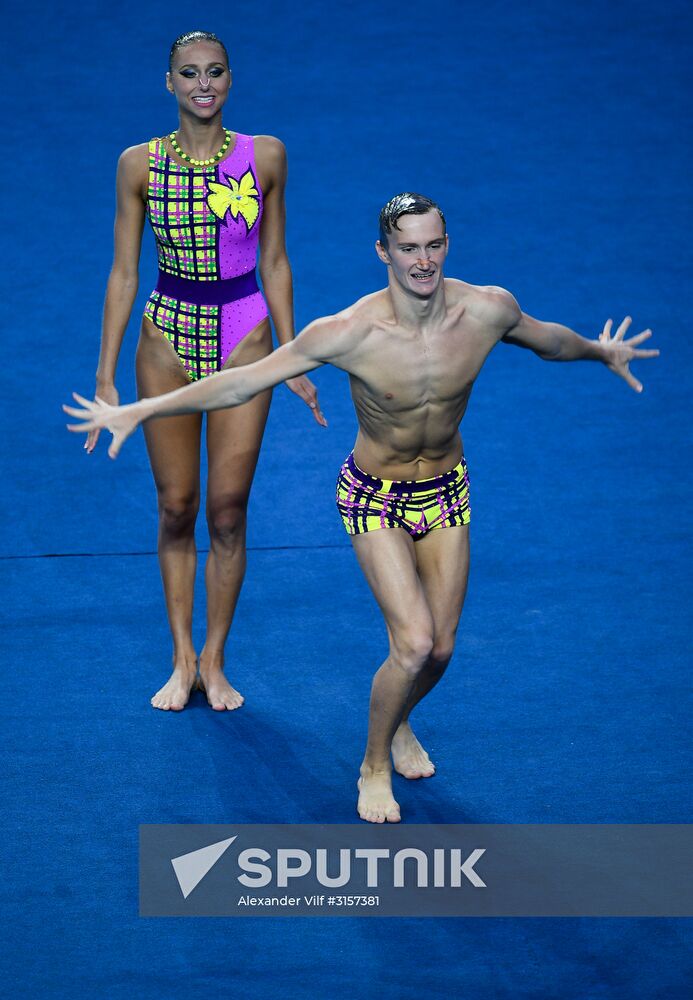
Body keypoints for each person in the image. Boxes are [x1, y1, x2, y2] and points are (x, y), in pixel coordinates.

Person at [66, 192, 658, 823]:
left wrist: (600, 351)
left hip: (446, 491)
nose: (423, 261)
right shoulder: (348, 332)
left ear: (447, 245)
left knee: (441, 650)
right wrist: (143, 409)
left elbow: (548, 341)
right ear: (383, 252)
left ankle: (399, 720)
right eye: (408, 248)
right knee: (414, 643)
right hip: (374, 497)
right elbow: (242, 382)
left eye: (433, 245)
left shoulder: (487, 310)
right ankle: (373, 764)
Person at [87, 30, 323, 713]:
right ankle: (181, 657)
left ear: (230, 79)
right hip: (165, 340)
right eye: (188, 73)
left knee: (226, 510)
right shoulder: (138, 164)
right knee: (176, 506)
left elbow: (274, 260)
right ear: (169, 82)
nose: (202, 84)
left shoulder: (265, 155)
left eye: (214, 72)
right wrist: (105, 377)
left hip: (245, 337)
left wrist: (291, 354)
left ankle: (214, 658)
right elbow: (124, 273)